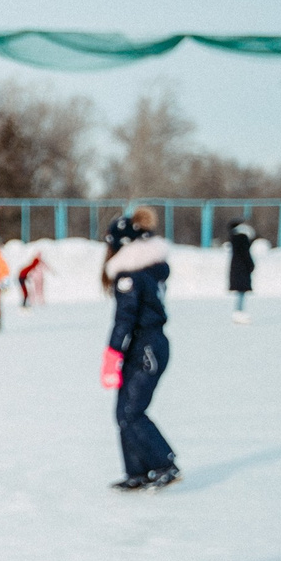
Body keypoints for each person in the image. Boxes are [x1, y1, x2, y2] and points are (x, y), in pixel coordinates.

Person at [103, 209, 177, 490]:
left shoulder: (131, 275)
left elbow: (125, 318)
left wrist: (112, 354)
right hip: (144, 345)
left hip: (146, 346)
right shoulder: (146, 269)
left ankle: (164, 463)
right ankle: (137, 471)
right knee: (123, 412)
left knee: (132, 411)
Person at [227, 219, 256, 324]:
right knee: (241, 292)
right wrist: (251, 265)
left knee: (241, 292)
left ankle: (239, 312)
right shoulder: (242, 239)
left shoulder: (234, 238)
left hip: (237, 269)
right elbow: (245, 255)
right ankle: (239, 312)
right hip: (242, 270)